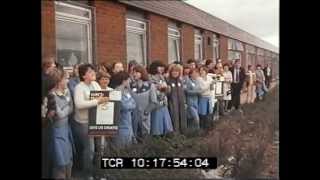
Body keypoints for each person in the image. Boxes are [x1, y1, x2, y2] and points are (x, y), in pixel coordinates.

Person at [73, 64, 108, 179]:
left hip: (97, 120)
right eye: (89, 71)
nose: (93, 72)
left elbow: (102, 98)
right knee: (90, 150)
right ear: (83, 75)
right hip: (84, 122)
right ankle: (88, 175)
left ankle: (99, 173)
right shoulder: (79, 87)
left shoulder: (95, 84)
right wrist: (97, 101)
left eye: (93, 70)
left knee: (101, 147)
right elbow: (79, 104)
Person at [48, 69, 75, 179]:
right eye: (66, 78)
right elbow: (59, 114)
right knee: (60, 162)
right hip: (57, 132)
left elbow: (71, 109)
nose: (68, 81)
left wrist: (66, 109)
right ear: (59, 80)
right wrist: (67, 107)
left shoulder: (67, 91)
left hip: (66, 130)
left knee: (69, 159)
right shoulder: (52, 95)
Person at [130, 65, 158, 141]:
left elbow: (154, 102)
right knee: (134, 135)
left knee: (145, 135)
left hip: (145, 115)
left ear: (142, 73)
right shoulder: (131, 86)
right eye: (133, 72)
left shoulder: (150, 86)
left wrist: (146, 112)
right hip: (134, 115)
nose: (134, 74)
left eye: (136, 72)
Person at [112, 71, 137, 148]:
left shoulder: (126, 91)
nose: (130, 81)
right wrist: (130, 104)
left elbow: (134, 103)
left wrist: (130, 104)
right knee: (121, 148)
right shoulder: (116, 92)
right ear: (124, 81)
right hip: (121, 124)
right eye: (128, 79)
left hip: (128, 123)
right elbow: (124, 106)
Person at [148, 60, 174, 136]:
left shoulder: (161, 77)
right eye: (160, 67)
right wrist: (162, 89)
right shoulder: (150, 77)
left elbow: (165, 89)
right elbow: (154, 90)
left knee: (166, 123)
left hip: (163, 103)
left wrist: (167, 89)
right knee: (157, 124)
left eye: (163, 67)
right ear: (154, 67)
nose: (162, 69)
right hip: (156, 103)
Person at [167, 64, 187, 134]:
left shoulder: (180, 81)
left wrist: (184, 101)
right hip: (172, 103)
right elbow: (167, 94)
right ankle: (175, 134)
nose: (175, 73)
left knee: (182, 117)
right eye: (173, 71)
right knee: (174, 118)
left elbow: (183, 93)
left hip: (181, 103)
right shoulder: (168, 81)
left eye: (176, 71)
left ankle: (183, 133)